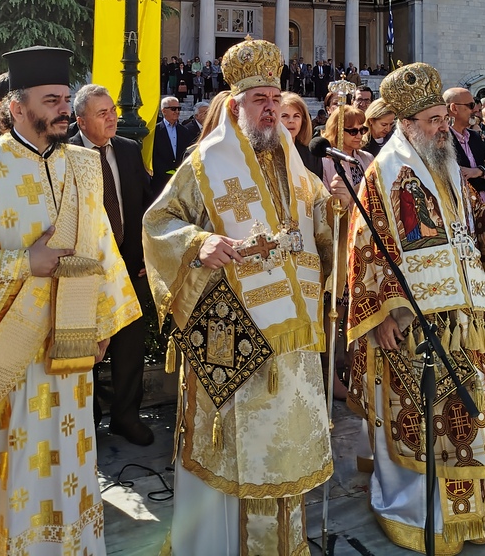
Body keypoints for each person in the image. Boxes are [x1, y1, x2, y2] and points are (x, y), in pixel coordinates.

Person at [143, 38, 346, 556]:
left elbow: (320, 237)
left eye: (276, 97)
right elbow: (158, 222)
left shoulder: (298, 169)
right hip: (231, 331)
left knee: (285, 453)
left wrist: (335, 211)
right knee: (233, 452)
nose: (271, 107)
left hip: (290, 340)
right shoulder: (206, 163)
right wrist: (202, 241)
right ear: (235, 106)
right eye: (259, 98)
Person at [0, 46, 141, 554]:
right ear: (16, 107)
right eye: (52, 100)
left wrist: (104, 325)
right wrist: (24, 262)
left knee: (70, 466)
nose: (64, 110)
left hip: (70, 355)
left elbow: (103, 249)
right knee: (13, 470)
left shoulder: (85, 165)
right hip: (8, 361)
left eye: (67, 99)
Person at [347, 62, 485, 553]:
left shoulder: (448, 163)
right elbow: (365, 247)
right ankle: (417, 512)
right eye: (435, 120)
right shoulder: (384, 171)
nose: (445, 127)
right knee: (422, 421)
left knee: (468, 417)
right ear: (408, 123)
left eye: (444, 117)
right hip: (412, 322)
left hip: (467, 322)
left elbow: (474, 221)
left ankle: (471, 510)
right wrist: (381, 315)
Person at [70, 83, 153, 445]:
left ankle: (126, 416)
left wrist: (150, 255)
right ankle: (87, 420)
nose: (112, 118)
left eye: (113, 110)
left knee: (130, 348)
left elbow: (148, 205)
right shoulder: (64, 155)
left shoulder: (129, 150)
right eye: (102, 113)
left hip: (129, 268)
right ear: (80, 120)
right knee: (86, 352)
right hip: (84, 273)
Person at [321, 105, 373, 401]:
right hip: (339, 241)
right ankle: (331, 372)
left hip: (365, 241)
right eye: (351, 130)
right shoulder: (327, 160)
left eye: (362, 130)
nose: (358, 135)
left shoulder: (367, 159)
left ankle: (356, 367)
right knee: (336, 309)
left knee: (359, 305)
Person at [444, 86, 485, 198]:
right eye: (471, 105)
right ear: (454, 108)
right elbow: (458, 176)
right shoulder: (442, 140)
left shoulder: (475, 137)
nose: (475, 110)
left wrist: (479, 171)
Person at [151, 95, 191, 198]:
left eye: (179, 108)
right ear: (164, 111)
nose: (177, 111)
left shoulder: (184, 131)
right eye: (173, 109)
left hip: (180, 182)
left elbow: (187, 154)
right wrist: (166, 174)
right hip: (160, 182)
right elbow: (154, 155)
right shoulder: (155, 132)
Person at [280, 90, 323, 178]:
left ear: (303, 121)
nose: (291, 121)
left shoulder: (312, 155)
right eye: (284, 116)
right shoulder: (265, 154)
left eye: (296, 116)